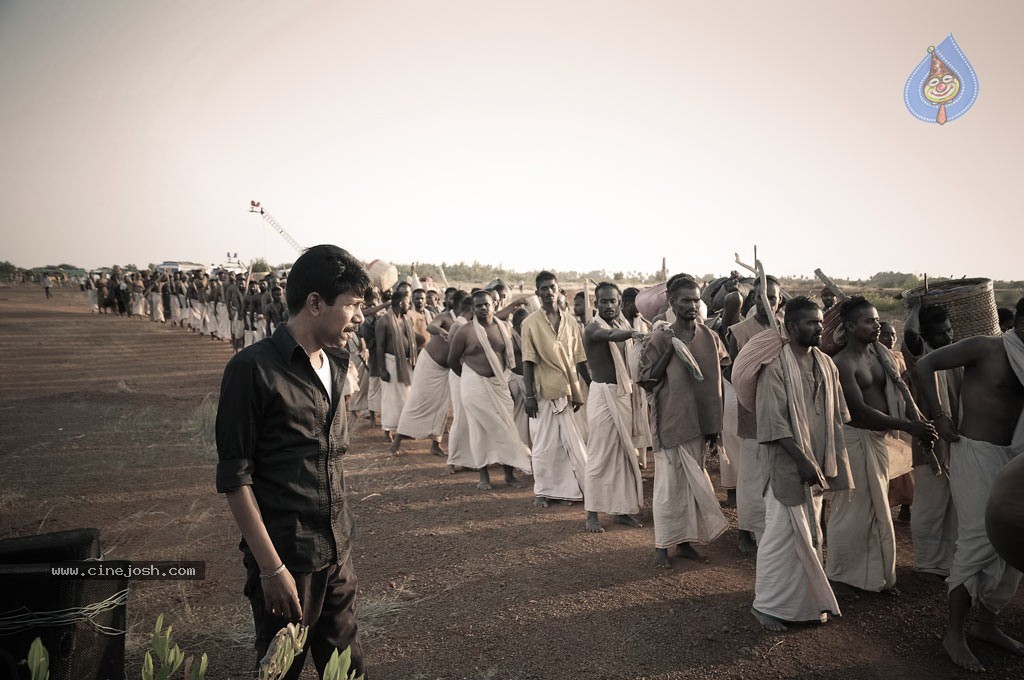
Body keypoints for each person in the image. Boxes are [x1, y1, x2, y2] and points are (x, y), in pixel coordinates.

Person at [215, 244, 368, 679]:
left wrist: (342, 547)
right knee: (281, 671)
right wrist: (271, 568)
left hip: (337, 550)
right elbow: (235, 478)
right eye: (352, 306)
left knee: (348, 670)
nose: (359, 317)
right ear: (315, 303)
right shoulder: (252, 369)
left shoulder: (338, 363)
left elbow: (327, 455)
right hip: (287, 560)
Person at [917, 297, 1024, 673]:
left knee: (1016, 540)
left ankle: (987, 624)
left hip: (1017, 462)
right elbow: (925, 363)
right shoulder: (987, 346)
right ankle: (954, 634)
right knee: (979, 538)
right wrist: (940, 414)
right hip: (976, 455)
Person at [747, 296, 853, 631]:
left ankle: (803, 607)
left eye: (820, 322)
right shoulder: (775, 366)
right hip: (789, 464)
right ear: (791, 327)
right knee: (781, 537)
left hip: (818, 464)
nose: (819, 328)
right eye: (811, 323)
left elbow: (837, 414)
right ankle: (766, 605)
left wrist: (825, 459)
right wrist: (802, 459)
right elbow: (773, 423)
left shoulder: (824, 362)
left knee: (809, 536)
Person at [830, 296, 938, 594]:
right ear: (850, 327)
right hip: (855, 441)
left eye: (877, 320)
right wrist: (908, 427)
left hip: (877, 441)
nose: (876, 326)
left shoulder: (882, 357)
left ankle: (877, 576)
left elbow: (898, 394)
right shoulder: (843, 363)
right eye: (868, 321)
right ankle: (840, 576)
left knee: (878, 512)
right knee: (851, 512)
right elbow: (859, 412)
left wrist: (916, 419)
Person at [639, 274, 730, 568]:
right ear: (671, 301)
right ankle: (661, 546)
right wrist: (669, 348)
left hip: (701, 423)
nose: (692, 306)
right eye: (685, 300)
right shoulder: (659, 337)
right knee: (668, 488)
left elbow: (717, 380)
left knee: (690, 488)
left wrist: (715, 427)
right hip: (672, 423)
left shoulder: (710, 337)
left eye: (695, 300)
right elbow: (647, 381)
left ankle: (685, 542)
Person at [447, 290, 532, 489]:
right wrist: (470, 379)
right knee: (480, 430)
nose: (483, 308)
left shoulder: (504, 328)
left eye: (486, 304)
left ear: (494, 305)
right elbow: (452, 360)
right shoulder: (465, 331)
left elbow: (510, 359)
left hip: (499, 384)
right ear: (473, 309)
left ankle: (509, 475)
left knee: (507, 426)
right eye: (478, 306)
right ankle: (484, 477)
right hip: (474, 385)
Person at [521, 271, 589, 507]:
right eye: (543, 289)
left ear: (559, 290)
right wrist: (529, 396)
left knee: (567, 444)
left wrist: (584, 389)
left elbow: (578, 359)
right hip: (542, 393)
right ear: (537, 293)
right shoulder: (529, 324)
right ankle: (542, 491)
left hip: (567, 390)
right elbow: (527, 362)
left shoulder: (570, 321)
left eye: (552, 288)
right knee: (543, 444)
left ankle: (567, 491)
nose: (548, 293)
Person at [582, 282, 646, 532]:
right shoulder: (593, 328)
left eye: (612, 301)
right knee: (600, 455)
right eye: (603, 301)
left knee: (623, 455)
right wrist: (634, 334)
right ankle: (592, 513)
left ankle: (622, 511)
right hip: (603, 396)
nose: (608, 305)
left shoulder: (624, 326)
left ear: (619, 303)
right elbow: (606, 336)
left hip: (623, 394)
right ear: (595, 303)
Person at [726, 275, 783, 553]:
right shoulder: (738, 331)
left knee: (777, 474)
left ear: (779, 300)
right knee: (750, 475)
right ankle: (746, 530)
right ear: (753, 299)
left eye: (771, 297)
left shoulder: (788, 329)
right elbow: (737, 374)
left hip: (783, 411)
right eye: (760, 296)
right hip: (751, 408)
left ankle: (772, 530)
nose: (766, 302)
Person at [391, 289, 454, 457]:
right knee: (416, 401)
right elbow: (430, 328)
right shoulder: (442, 316)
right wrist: (441, 332)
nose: (420, 301)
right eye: (417, 298)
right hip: (425, 361)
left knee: (442, 406)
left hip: (445, 368)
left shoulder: (433, 313)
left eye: (422, 298)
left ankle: (436, 444)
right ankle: (397, 440)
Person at [376, 290, 417, 442]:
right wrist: (382, 369)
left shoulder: (407, 319)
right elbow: (379, 346)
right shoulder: (384, 321)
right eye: (408, 302)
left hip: (406, 363)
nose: (410, 305)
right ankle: (388, 430)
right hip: (390, 363)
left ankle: (403, 429)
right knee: (390, 399)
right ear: (401, 303)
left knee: (406, 398)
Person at [621, 287, 654, 468]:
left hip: (639, 377)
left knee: (641, 419)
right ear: (626, 303)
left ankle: (641, 460)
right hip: (622, 377)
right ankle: (628, 458)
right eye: (637, 302)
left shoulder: (643, 323)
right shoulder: (616, 324)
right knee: (626, 418)